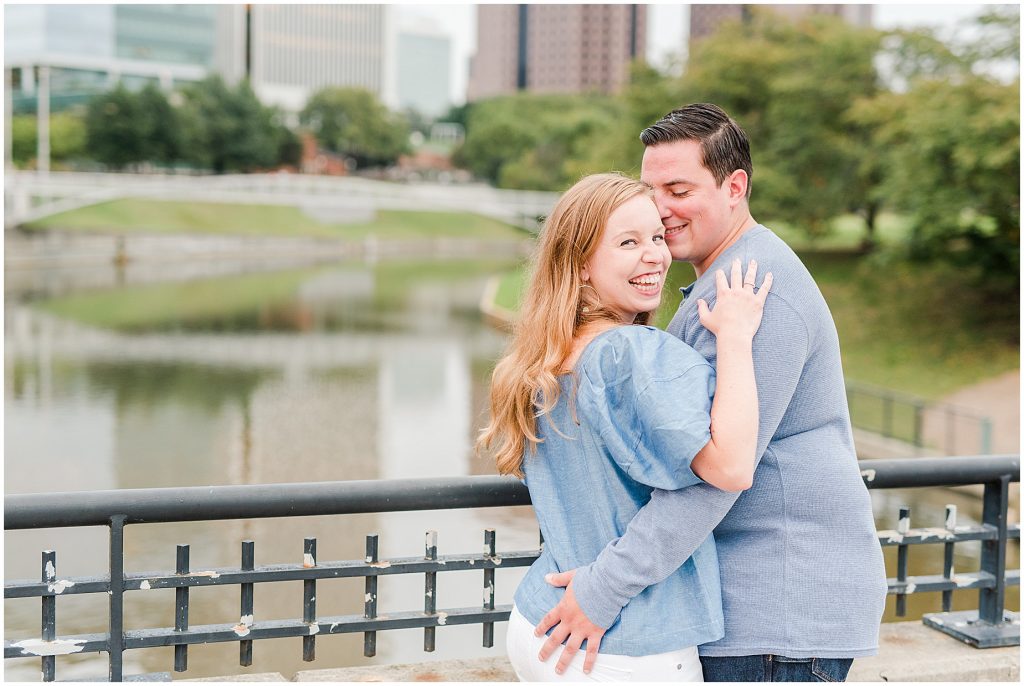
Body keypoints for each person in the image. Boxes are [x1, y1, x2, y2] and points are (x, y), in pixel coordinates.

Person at [532, 104, 888, 682]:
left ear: (734, 187)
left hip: (775, 606)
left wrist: (602, 589)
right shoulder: (719, 283)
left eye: (678, 189)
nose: (660, 208)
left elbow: (712, 478)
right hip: (748, 604)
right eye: (652, 190)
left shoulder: (755, 288)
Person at [477, 172, 772, 681]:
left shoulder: (544, 359)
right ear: (582, 267)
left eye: (657, 236)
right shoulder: (632, 354)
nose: (655, 255)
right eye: (628, 242)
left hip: (539, 623)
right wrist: (736, 337)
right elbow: (731, 466)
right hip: (622, 648)